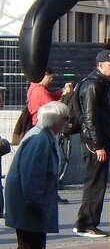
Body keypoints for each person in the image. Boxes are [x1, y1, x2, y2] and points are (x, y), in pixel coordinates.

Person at [1, 100, 71, 249]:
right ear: (54, 119)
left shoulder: (44, 136)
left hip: (29, 198)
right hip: (27, 199)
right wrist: (33, 202)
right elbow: (32, 173)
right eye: (65, 118)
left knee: (31, 240)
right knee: (31, 242)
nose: (68, 122)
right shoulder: (40, 139)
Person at [74, 49, 110, 238]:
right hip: (94, 143)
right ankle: (86, 224)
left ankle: (86, 222)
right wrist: (98, 144)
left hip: (97, 141)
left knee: (96, 182)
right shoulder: (93, 85)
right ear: (100, 65)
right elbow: (90, 117)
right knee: (95, 183)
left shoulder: (102, 83)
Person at [26, 71, 72, 204]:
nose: (51, 81)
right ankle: (51, 192)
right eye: (50, 78)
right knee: (50, 163)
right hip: (44, 126)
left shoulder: (33, 88)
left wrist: (61, 91)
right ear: (44, 75)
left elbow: (50, 97)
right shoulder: (40, 91)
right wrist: (65, 95)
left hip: (38, 124)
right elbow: (53, 107)